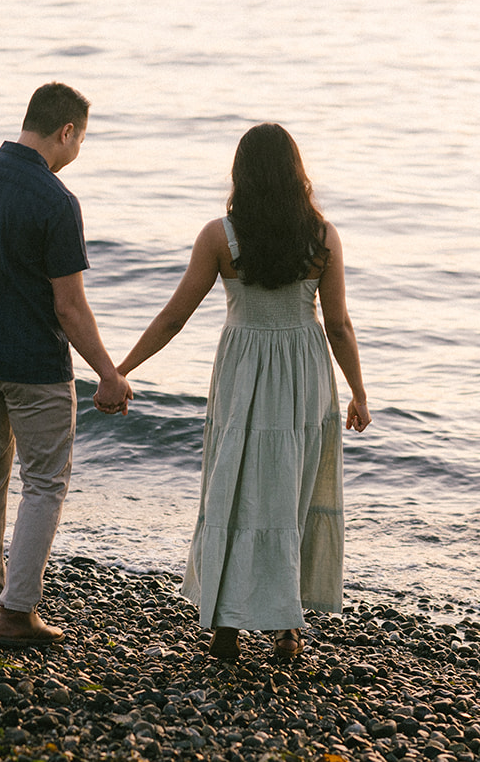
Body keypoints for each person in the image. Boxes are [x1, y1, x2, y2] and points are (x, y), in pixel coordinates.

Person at [115, 122, 370, 662]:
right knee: (293, 492)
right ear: (296, 174)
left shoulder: (219, 236)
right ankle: (287, 628)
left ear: (241, 174)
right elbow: (340, 325)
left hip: (242, 367)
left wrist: (121, 369)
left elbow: (174, 317)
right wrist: (358, 392)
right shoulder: (322, 236)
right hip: (303, 369)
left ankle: (226, 626)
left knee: (233, 485)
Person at [0, 82, 132, 648]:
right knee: (44, 482)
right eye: (81, 140)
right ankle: (17, 613)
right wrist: (108, 373)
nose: (77, 153)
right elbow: (68, 306)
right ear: (66, 131)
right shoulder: (55, 200)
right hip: (36, 366)